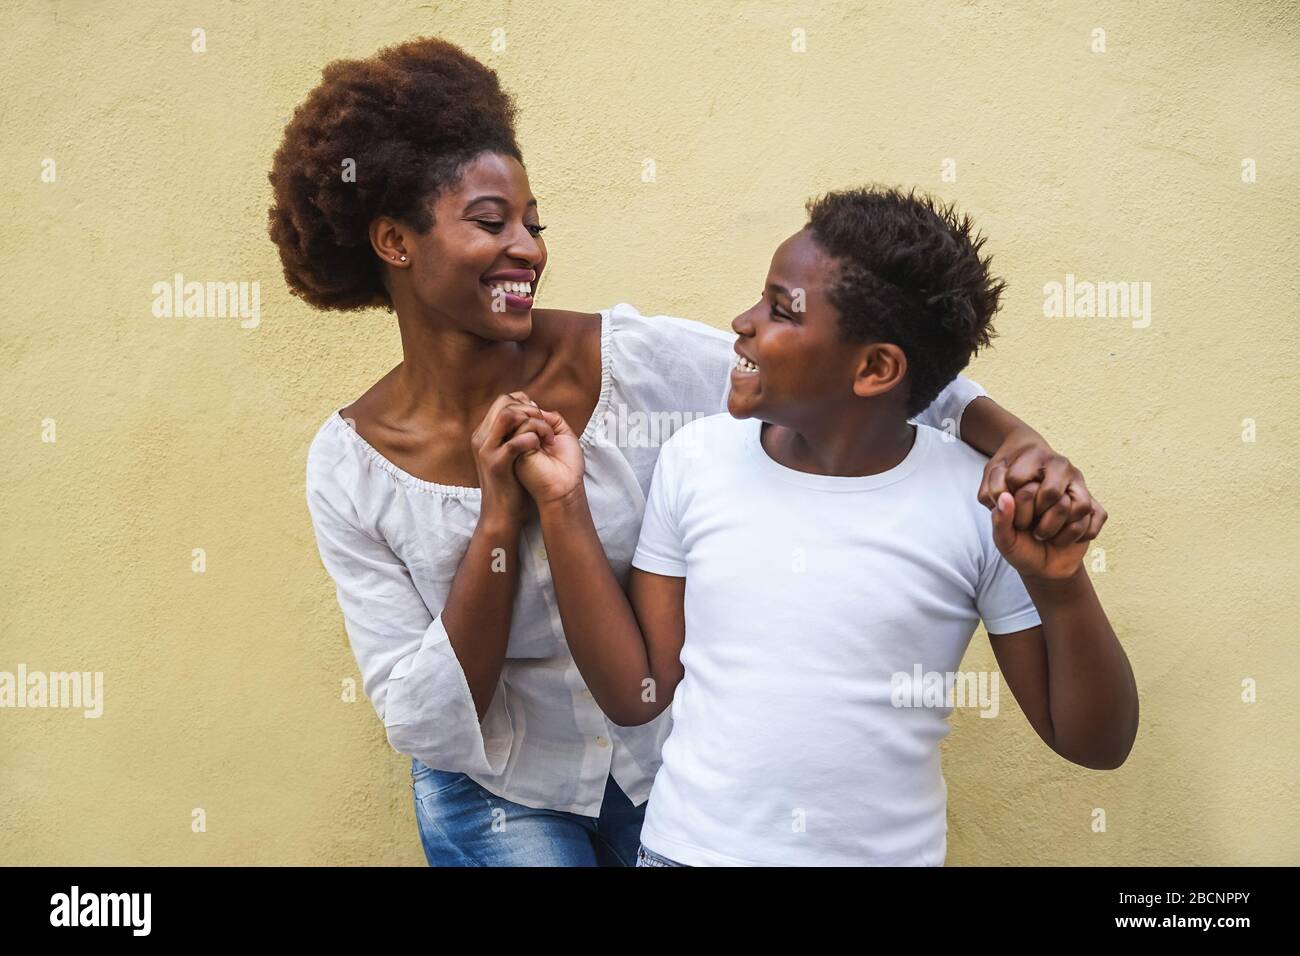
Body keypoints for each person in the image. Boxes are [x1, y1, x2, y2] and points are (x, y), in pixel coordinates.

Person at [271, 36, 1108, 866]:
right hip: (502, 790)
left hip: (661, 772)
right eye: (492, 222)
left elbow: (891, 379)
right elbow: (427, 721)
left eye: (534, 222)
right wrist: (499, 524)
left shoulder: (640, 366)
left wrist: (1025, 446)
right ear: (394, 243)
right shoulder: (352, 466)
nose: (528, 247)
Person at [510, 185, 1138, 866]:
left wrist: (1065, 585)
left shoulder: (980, 500)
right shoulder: (697, 458)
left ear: (873, 368)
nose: (742, 322)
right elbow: (638, 696)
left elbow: (1095, 744)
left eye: (781, 309)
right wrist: (563, 506)